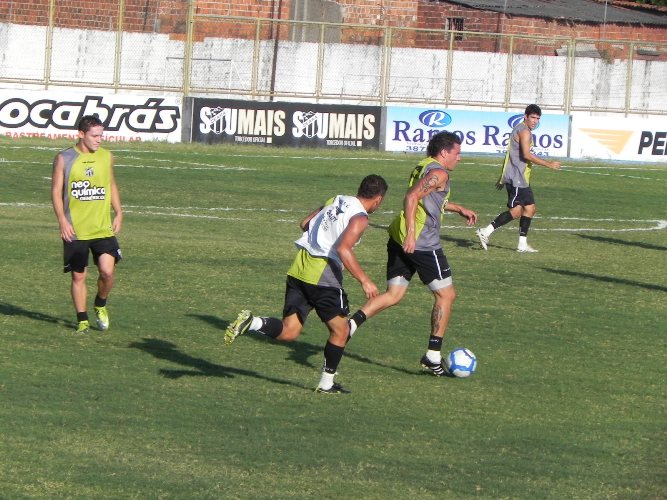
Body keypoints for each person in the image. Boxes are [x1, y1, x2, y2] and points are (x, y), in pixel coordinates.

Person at [225, 174, 388, 394]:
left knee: (289, 332)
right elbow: (343, 249)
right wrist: (365, 281)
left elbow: (305, 223)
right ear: (378, 199)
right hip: (323, 276)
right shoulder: (360, 218)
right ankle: (326, 384)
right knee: (341, 332)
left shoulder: (336, 199)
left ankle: (252, 322)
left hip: (299, 269)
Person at [347, 131, 478, 377]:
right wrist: (411, 234)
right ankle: (433, 355)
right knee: (446, 295)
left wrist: (457, 207)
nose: (459, 158)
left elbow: (425, 198)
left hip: (398, 237)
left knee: (394, 294)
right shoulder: (440, 172)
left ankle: (350, 325)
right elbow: (411, 196)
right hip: (421, 243)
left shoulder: (424, 165)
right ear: (444, 152)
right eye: (457, 153)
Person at [51, 115, 123, 334]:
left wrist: (119, 212)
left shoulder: (106, 156)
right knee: (79, 276)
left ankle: (100, 304)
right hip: (75, 229)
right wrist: (62, 220)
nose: (99, 140)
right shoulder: (64, 158)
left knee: (107, 272)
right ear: (81, 134)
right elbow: (55, 191)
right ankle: (82, 320)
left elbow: (110, 183)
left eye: (101, 135)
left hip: (102, 227)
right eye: (95, 136)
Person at [476, 104, 561, 253]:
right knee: (516, 212)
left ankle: (521, 244)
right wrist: (549, 164)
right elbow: (526, 155)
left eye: (538, 118)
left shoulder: (520, 128)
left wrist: (502, 177)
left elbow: (510, 154)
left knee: (530, 208)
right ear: (525, 116)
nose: (535, 121)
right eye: (533, 117)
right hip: (517, 178)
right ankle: (485, 231)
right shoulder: (524, 131)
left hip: (518, 177)